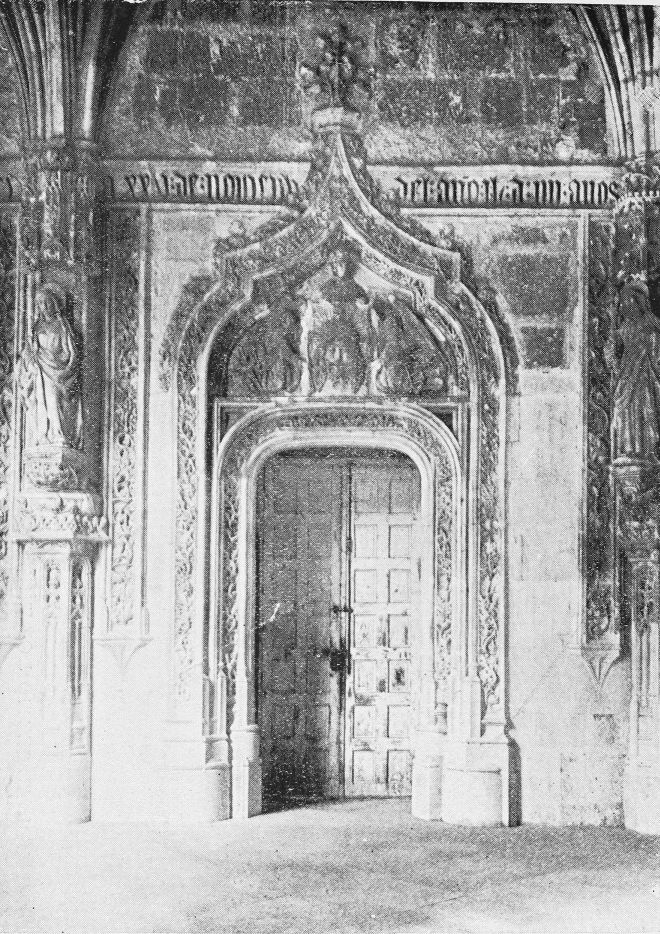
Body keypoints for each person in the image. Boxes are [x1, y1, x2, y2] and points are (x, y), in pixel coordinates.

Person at [19, 284, 82, 448]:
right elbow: (29, 351)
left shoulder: (62, 325)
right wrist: (31, 361)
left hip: (59, 371)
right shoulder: (36, 327)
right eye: (40, 303)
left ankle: (59, 435)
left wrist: (67, 370)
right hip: (41, 369)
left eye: (47, 302)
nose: (44, 306)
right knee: (43, 400)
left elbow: (72, 353)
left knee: (55, 399)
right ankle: (44, 435)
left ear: (54, 303)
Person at [611, 276, 660, 461]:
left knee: (644, 408)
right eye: (622, 302)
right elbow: (616, 352)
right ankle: (629, 449)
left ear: (638, 301)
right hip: (627, 375)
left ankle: (647, 451)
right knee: (625, 409)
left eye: (627, 300)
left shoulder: (651, 324)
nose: (623, 306)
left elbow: (655, 352)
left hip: (645, 375)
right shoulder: (625, 326)